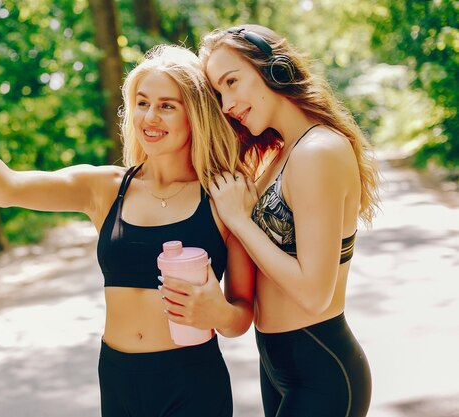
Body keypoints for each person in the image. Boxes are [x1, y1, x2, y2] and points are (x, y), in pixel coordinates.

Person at [0, 44, 256, 417]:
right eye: (142, 103)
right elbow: (6, 188)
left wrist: (217, 313)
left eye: (167, 106)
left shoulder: (224, 194)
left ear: (195, 115)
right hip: (118, 378)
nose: (150, 117)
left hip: (193, 382)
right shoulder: (105, 187)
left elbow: (241, 314)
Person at [160, 25, 379, 417]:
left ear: (274, 68)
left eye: (232, 81)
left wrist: (240, 220)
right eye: (218, 92)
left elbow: (315, 293)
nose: (227, 103)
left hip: (321, 373)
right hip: (278, 367)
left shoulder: (319, 151)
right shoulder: (279, 156)